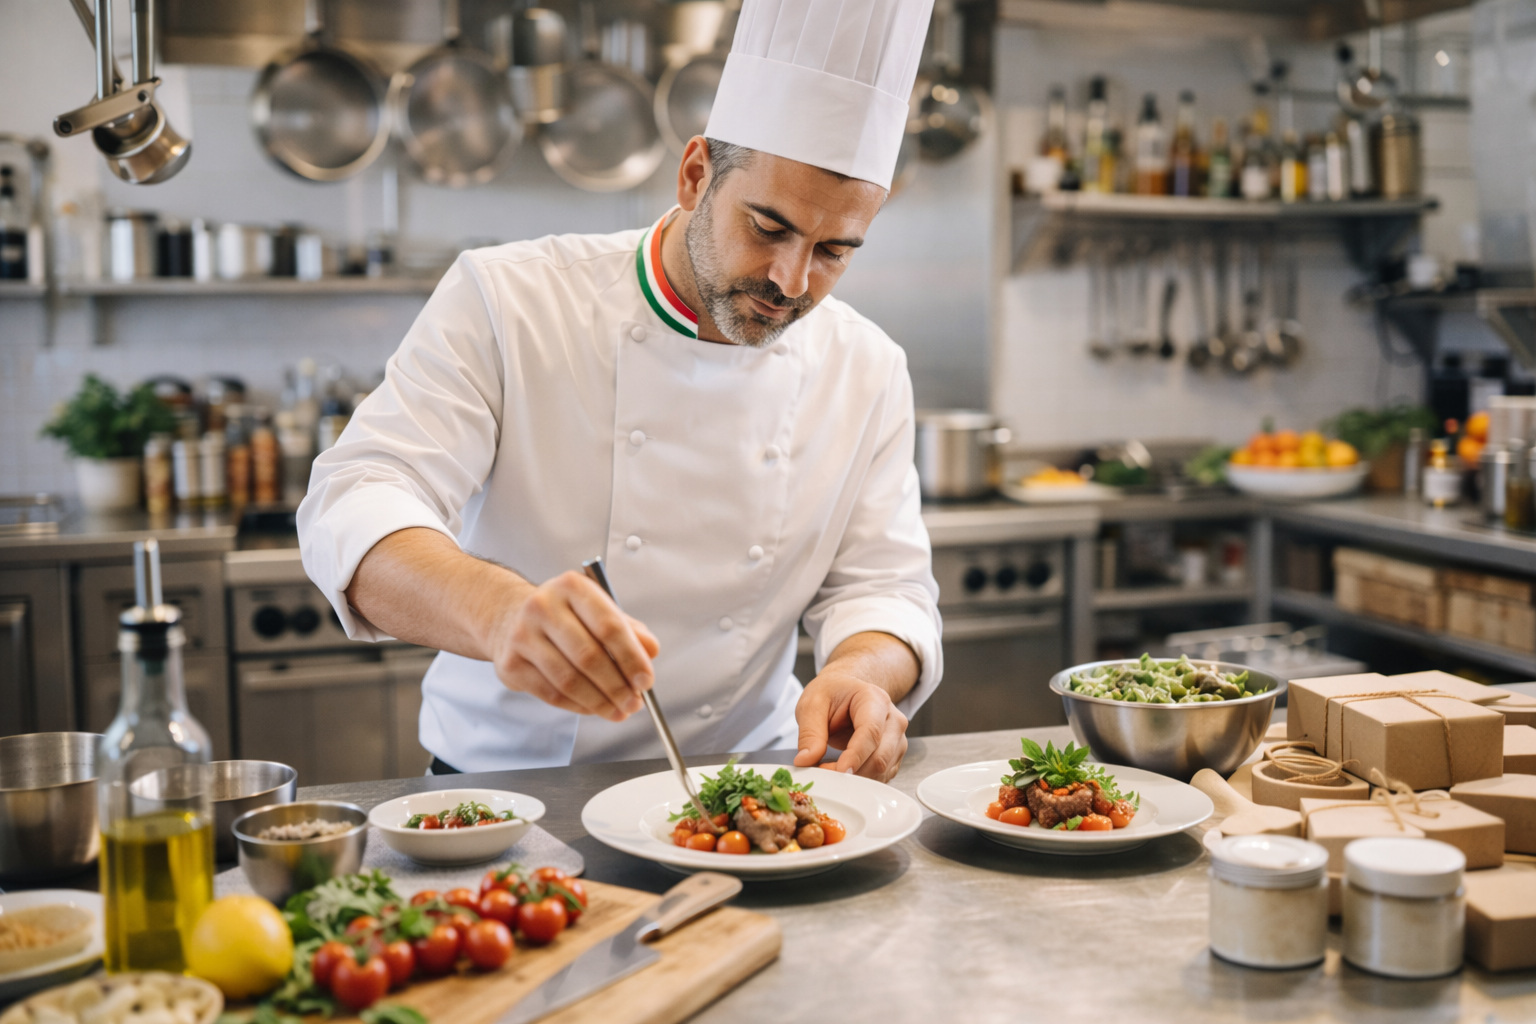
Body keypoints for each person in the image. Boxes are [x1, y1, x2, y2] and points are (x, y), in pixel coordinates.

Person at [297, 0, 941, 781]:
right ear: (697, 174)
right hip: (509, 798)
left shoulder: (867, 366)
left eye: (835, 250)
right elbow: (357, 499)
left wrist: (861, 674)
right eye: (768, 227)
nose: (792, 281)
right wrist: (497, 612)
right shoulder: (512, 300)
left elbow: (885, 586)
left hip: (748, 799)